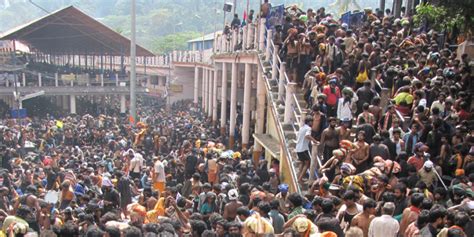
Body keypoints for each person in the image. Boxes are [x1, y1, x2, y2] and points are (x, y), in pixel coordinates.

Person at [295, 116, 319, 184]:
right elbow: (307, 136)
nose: (313, 123)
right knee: (307, 163)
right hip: (303, 148)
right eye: (312, 121)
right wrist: (315, 141)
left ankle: (298, 177)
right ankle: (300, 179)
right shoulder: (308, 128)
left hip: (298, 148)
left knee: (302, 163)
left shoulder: (302, 128)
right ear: (309, 122)